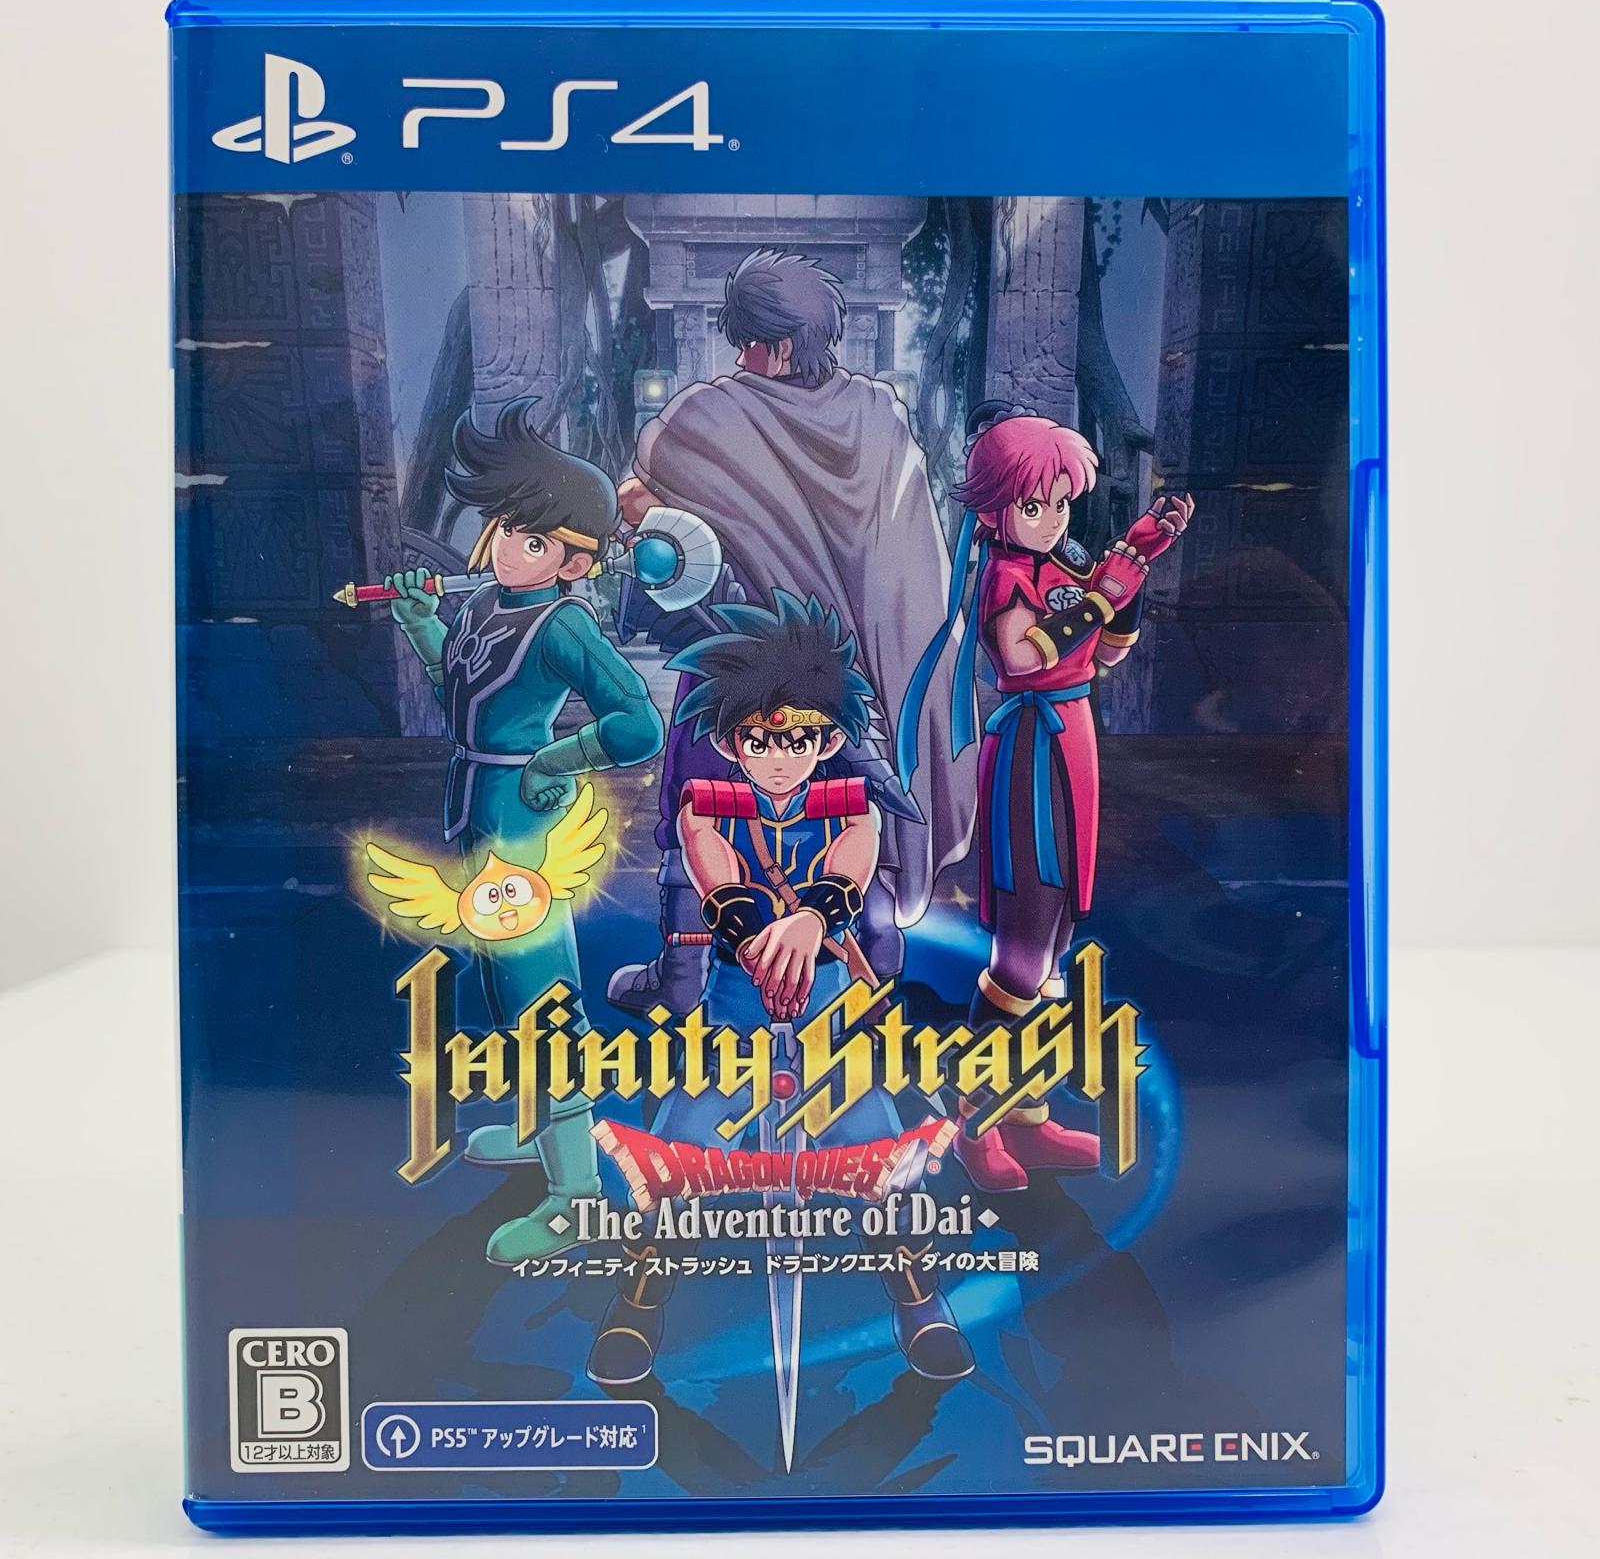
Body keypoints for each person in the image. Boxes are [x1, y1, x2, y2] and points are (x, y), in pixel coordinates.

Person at [587, 591, 974, 1388]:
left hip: (830, 1014)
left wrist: (813, 917)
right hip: (734, 1014)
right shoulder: (708, 803)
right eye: (761, 740)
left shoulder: (846, 800)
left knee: (881, 1161)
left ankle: (919, 1305)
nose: (780, 756)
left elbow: (857, 847)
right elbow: (707, 855)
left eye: (799, 738)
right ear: (731, 741)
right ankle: (637, 1308)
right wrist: (746, 922)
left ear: (828, 737)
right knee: (675, 1161)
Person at [604, 247, 976, 1021]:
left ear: (773, 345)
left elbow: (639, 495)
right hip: (845, 684)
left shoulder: (705, 418)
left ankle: (682, 980)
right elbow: (910, 573)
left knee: (699, 810)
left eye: (747, 341)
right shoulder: (879, 417)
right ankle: (876, 981)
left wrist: (652, 511)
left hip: (735, 665)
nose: (742, 356)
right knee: (857, 815)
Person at [385, 397, 665, 1261]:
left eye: (536, 542)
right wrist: (425, 626)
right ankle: (540, 1126)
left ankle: (574, 1190)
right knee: (498, 977)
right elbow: (461, 694)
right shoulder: (484, 605)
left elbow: (637, 725)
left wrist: (558, 759)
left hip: (518, 813)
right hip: (473, 800)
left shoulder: (564, 621)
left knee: (539, 992)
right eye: (509, 529)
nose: (511, 548)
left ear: (577, 559)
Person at [897, 404, 1193, 1192]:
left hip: (1072, 742)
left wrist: (1131, 571)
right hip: (1033, 749)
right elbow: (1025, 658)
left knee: (1053, 944)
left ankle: (1025, 1117)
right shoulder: (1005, 573)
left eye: (1061, 502)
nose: (1053, 517)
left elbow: (1107, 654)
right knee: (1024, 949)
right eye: (1036, 504)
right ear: (998, 506)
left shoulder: (1059, 561)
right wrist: (1103, 595)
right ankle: (975, 1124)